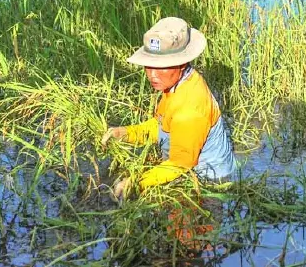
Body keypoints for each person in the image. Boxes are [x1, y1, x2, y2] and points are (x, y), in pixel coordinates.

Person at [101, 17, 236, 199]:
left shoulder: (190, 108)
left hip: (208, 185)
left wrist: (137, 182)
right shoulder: (176, 84)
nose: (152, 75)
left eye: (161, 67)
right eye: (149, 66)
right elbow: (161, 126)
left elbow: (180, 164)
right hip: (182, 169)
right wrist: (126, 133)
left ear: (181, 64)